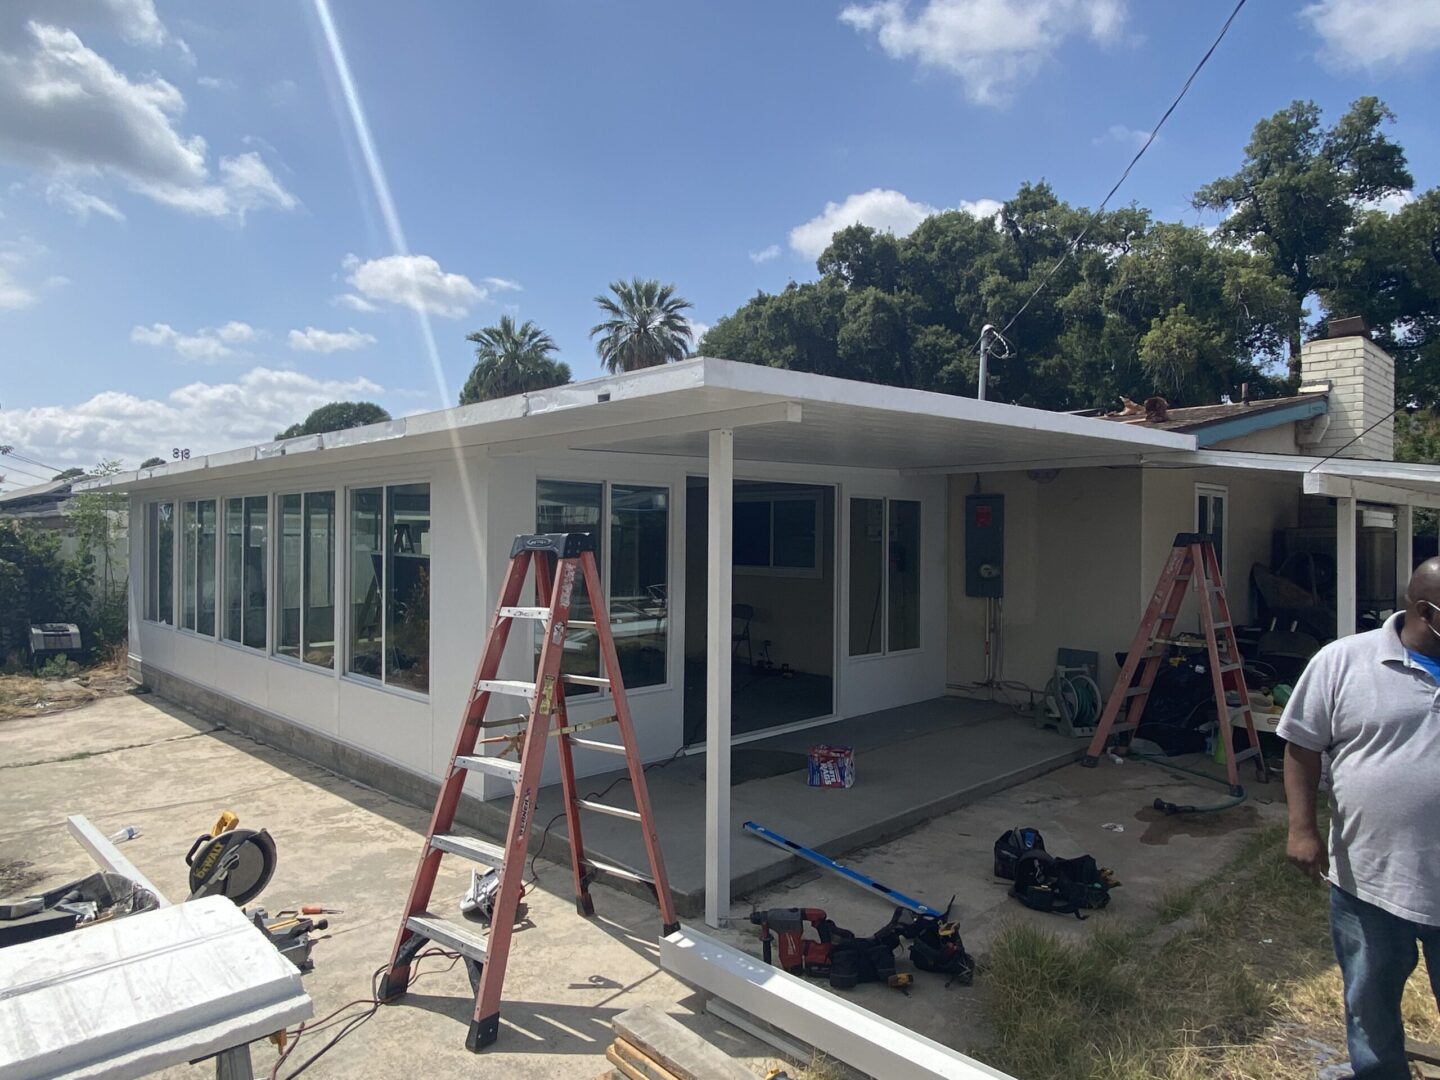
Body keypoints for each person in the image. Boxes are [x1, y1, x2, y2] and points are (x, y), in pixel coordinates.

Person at [1279, 557, 1440, 1079]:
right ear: (1425, 610)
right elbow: (1301, 745)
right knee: (1370, 1002)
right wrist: (1301, 830)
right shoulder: (1343, 661)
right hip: (1370, 878)